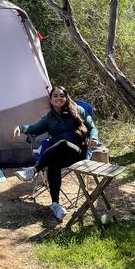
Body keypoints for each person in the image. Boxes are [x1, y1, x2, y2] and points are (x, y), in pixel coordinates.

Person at [13, 86, 98, 221]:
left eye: (61, 95)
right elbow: (34, 128)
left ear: (66, 97)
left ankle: (33, 170)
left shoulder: (78, 110)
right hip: (59, 156)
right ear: (51, 100)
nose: (59, 98)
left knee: (63, 143)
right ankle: (55, 205)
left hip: (77, 154)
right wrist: (20, 128)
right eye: (55, 96)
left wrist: (93, 138)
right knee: (53, 163)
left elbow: (92, 127)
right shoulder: (49, 117)